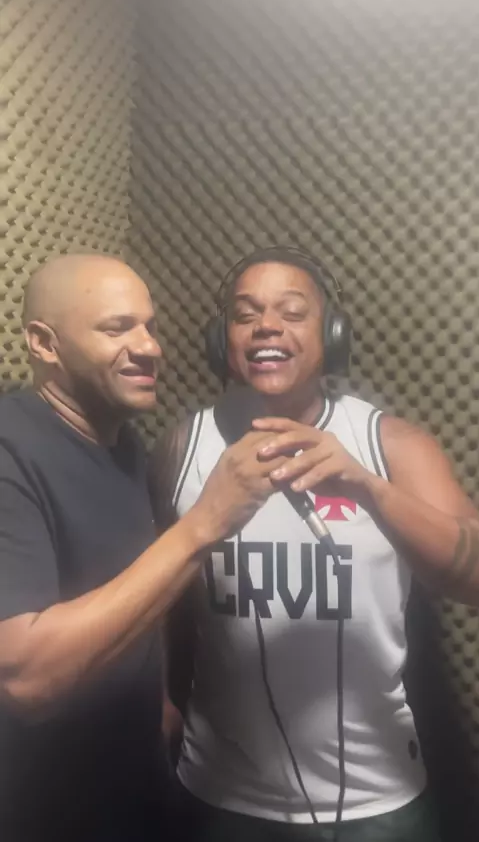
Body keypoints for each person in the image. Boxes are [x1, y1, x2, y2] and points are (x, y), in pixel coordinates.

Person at [150, 246, 479, 842]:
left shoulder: (391, 444)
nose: (266, 326)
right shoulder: (181, 448)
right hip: (217, 795)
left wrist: (368, 487)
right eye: (245, 314)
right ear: (222, 341)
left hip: (376, 802)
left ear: (332, 335)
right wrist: (163, 707)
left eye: (292, 311)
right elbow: (164, 599)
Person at [0, 253, 285, 842]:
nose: (150, 347)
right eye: (117, 328)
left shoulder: (123, 445)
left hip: (132, 784)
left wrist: (158, 700)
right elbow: (26, 677)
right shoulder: (10, 450)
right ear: (45, 344)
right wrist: (205, 522)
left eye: (150, 327)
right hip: (46, 810)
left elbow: (128, 580)